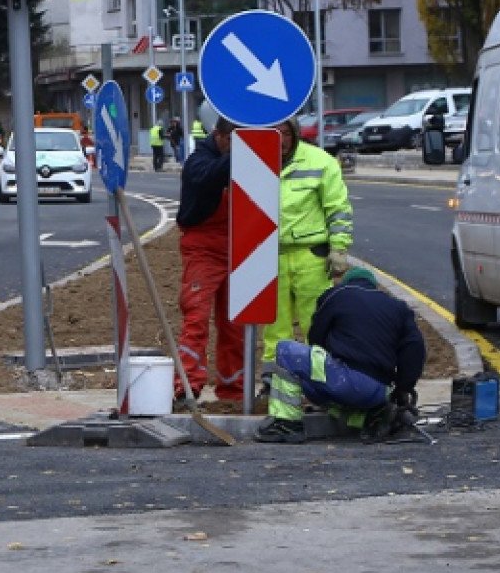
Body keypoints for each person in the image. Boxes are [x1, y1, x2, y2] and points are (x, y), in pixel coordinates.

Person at [258, 267, 424, 444]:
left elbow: (316, 337)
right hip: (378, 391)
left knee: (286, 350)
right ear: (373, 287)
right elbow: (415, 349)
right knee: (317, 387)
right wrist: (402, 388)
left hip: (345, 380)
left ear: (348, 283)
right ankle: (371, 416)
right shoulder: (398, 307)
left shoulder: (337, 295)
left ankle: (286, 424)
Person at [262, 118, 355, 367]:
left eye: (284, 133)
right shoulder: (255, 161)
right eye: (273, 134)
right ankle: (276, 381)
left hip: (311, 256)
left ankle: (321, 381)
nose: (279, 140)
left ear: (295, 133)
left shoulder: (320, 161)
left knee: (317, 324)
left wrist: (339, 248)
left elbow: (338, 209)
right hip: (269, 256)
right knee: (274, 327)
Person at [174, 103, 245, 404]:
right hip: (203, 247)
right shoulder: (198, 161)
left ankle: (233, 389)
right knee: (197, 318)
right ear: (219, 136)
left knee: (236, 324)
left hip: (240, 247)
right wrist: (238, 155)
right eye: (232, 142)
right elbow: (208, 177)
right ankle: (186, 386)